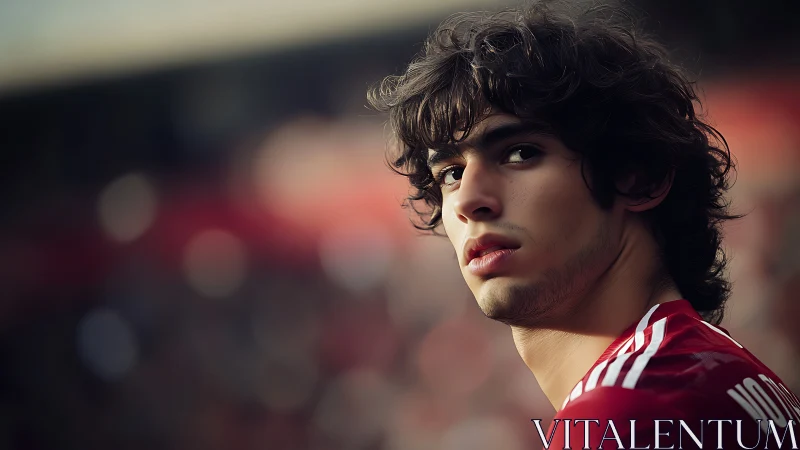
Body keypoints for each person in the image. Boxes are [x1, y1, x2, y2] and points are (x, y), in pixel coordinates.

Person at [369, 2, 799, 448]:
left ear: (638, 177)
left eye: (520, 153)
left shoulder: (629, 411)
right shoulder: (709, 371)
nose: (469, 201)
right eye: (452, 174)